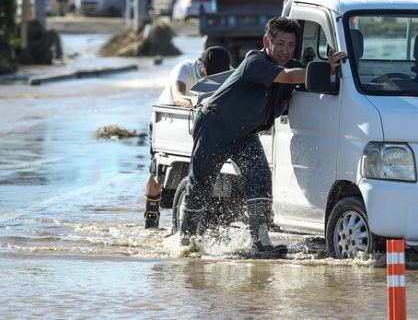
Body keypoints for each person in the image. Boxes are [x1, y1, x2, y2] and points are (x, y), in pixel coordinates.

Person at [178, 17, 346, 255]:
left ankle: (260, 241)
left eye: (291, 45)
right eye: (280, 43)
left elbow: (305, 78)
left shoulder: (294, 65)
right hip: (215, 126)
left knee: (260, 177)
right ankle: (186, 242)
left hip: (246, 133)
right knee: (201, 184)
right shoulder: (254, 62)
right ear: (267, 42)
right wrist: (323, 68)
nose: (285, 50)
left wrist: (332, 69)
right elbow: (288, 76)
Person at [144, 46, 232, 229]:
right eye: (210, 74)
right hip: (167, 121)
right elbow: (178, 97)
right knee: (156, 175)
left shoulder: (229, 72)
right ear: (201, 66)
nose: (213, 79)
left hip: (203, 124)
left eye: (218, 75)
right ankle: (151, 214)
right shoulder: (184, 69)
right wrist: (196, 103)